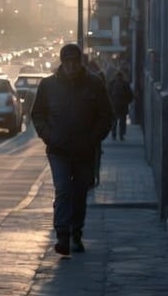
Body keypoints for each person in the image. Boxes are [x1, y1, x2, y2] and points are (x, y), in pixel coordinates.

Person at [31, 43, 113, 256]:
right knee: (63, 190)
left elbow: (106, 116)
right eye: (67, 62)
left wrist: (92, 139)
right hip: (58, 150)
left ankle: (76, 232)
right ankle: (62, 236)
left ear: (80, 62)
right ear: (62, 62)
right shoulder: (48, 85)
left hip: (84, 151)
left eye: (74, 62)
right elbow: (37, 114)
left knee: (79, 193)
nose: (71, 66)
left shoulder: (94, 84)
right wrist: (49, 136)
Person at [108, 70, 135, 141]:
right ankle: (121, 135)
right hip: (123, 105)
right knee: (122, 121)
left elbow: (108, 94)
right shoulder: (125, 84)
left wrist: (110, 103)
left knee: (114, 121)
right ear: (122, 76)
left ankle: (114, 135)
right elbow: (130, 95)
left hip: (114, 105)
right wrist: (127, 102)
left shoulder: (112, 83)